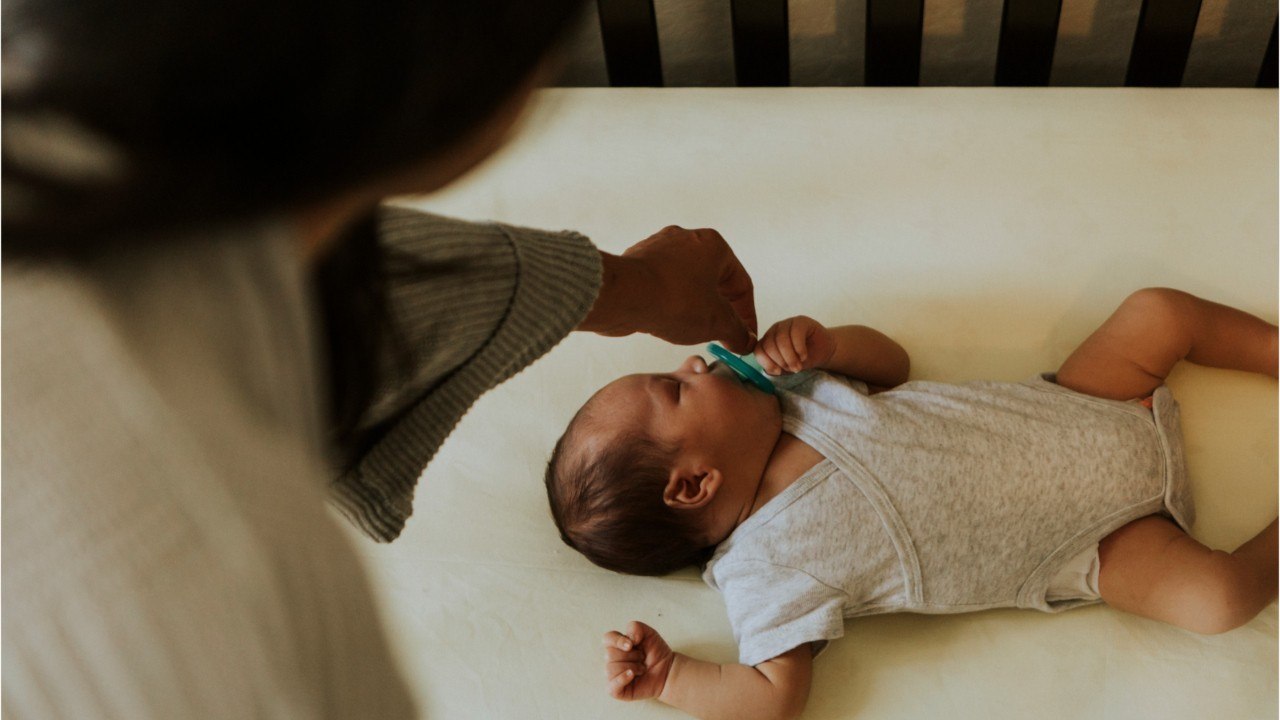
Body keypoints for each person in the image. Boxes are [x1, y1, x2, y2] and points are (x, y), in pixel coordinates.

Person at [2, 1, 759, 716]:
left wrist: (637, 287)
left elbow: (364, 276)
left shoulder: (103, 163)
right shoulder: (234, 597)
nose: (697, 366)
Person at [543, 288, 1278, 720]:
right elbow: (773, 697)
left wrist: (829, 346)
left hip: (1083, 401)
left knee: (1155, 310)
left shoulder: (797, 397)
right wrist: (672, 679)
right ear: (694, 485)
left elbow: (893, 366)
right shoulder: (763, 568)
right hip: (1098, 543)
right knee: (1219, 598)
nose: (694, 363)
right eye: (674, 389)